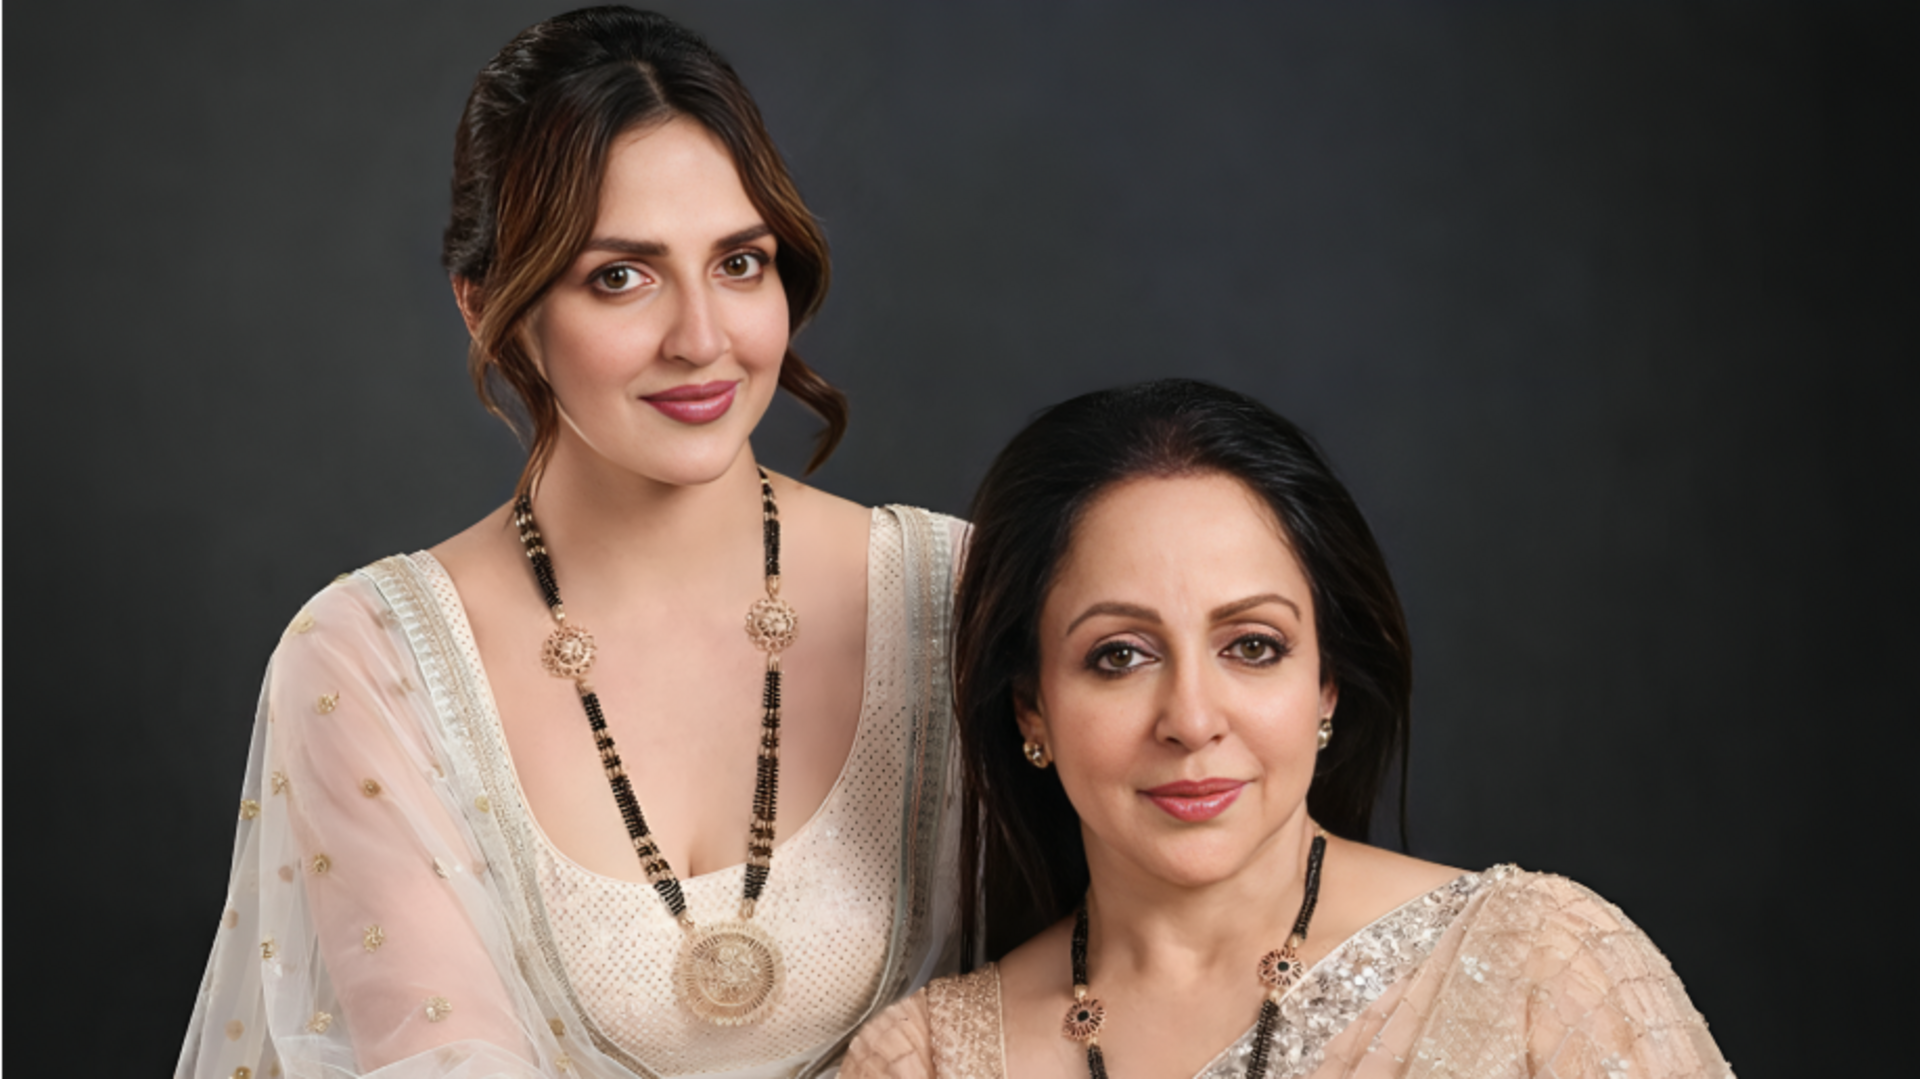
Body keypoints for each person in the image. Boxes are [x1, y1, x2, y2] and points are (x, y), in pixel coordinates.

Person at [177, 8, 965, 1078]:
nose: (703, 338)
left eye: (739, 262)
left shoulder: (956, 593)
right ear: (489, 309)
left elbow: (1141, 968)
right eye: (620, 276)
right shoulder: (371, 663)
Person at [844, 380, 1731, 1079]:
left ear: (1327, 683)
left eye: (1253, 646)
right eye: (1120, 655)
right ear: (1030, 706)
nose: (1193, 720)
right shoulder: (929, 1061)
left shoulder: (1536, 962)